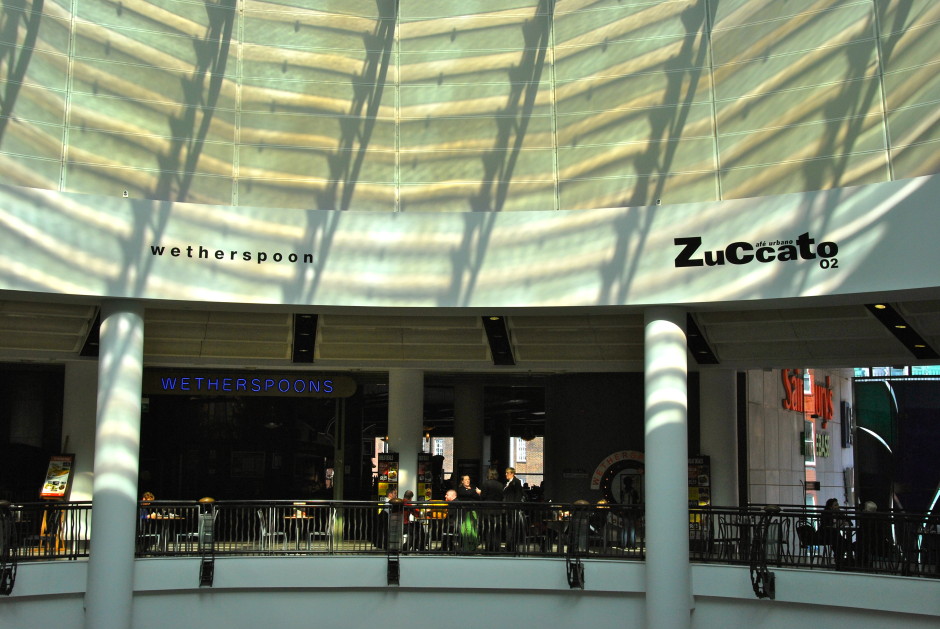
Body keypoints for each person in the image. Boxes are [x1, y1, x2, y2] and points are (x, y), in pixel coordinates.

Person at [480, 468, 505, 551]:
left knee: (488, 529)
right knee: (496, 529)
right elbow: (502, 497)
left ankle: (488, 548)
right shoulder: (500, 485)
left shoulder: (485, 484)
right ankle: (496, 548)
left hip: (487, 508)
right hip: (497, 509)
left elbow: (483, 496)